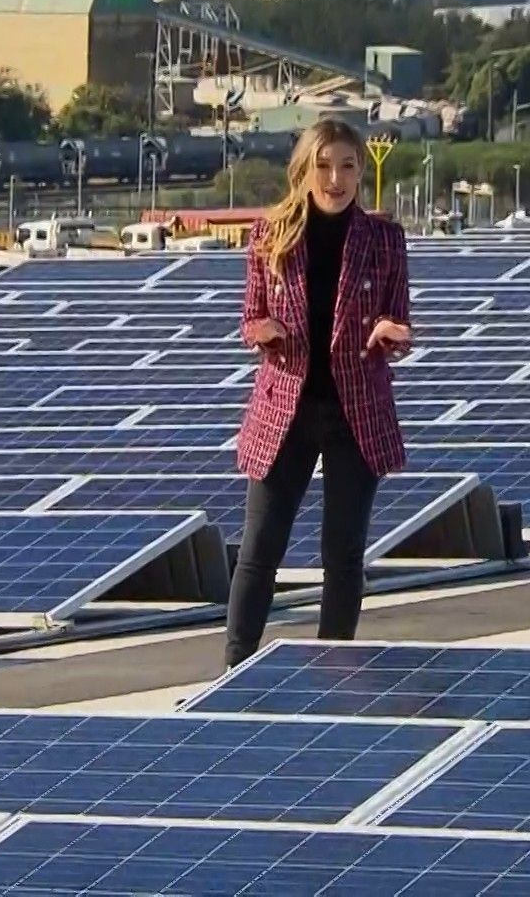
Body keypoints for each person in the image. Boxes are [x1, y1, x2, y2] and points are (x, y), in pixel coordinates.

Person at [225, 118, 413, 668]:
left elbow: (397, 316)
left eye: (347, 166)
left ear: (360, 172)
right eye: (324, 166)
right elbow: (250, 316)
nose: (336, 179)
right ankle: (234, 669)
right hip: (285, 410)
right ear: (304, 171)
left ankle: (332, 674)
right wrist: (262, 331)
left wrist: (392, 332)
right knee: (259, 551)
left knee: (343, 555)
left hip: (357, 413)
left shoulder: (384, 240)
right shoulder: (270, 235)